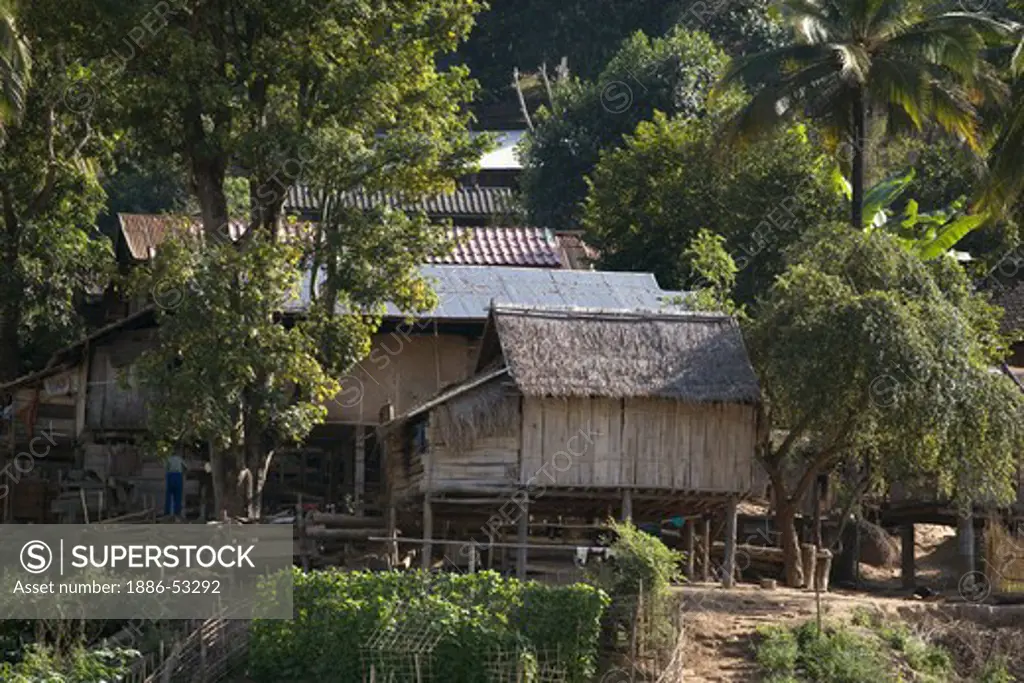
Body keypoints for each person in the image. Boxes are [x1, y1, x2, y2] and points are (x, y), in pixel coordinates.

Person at [164, 453, 185, 518]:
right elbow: (186, 467)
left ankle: (167, 512)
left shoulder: (168, 458)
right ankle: (177, 512)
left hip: (170, 475)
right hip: (178, 475)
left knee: (169, 495)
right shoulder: (180, 458)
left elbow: (166, 467)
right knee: (178, 495)